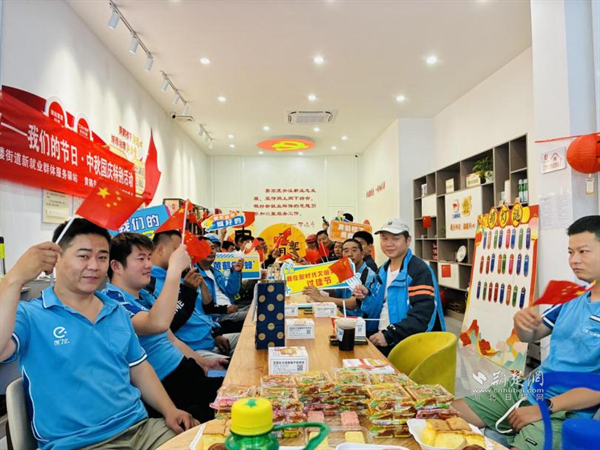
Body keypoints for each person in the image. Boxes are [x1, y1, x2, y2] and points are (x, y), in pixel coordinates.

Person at [0, 219, 194, 450]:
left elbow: (139, 368)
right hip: (78, 443)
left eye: (102, 257)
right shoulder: (30, 315)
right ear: (56, 258)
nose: (94, 266)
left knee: (204, 442)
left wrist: (170, 410)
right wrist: (13, 279)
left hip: (140, 428)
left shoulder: (116, 310)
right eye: (83, 256)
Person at [453, 215, 600, 450]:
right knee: (445, 416)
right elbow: (530, 336)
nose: (574, 260)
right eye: (570, 252)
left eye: (583, 252)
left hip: (564, 410)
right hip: (526, 390)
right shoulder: (572, 297)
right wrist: (521, 324)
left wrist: (543, 408)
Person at [104, 232, 228, 422]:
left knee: (243, 382)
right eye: (141, 259)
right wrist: (175, 271)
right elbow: (157, 324)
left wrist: (204, 363)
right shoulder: (113, 300)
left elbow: (172, 339)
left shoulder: (145, 295)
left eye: (149, 257)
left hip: (188, 371)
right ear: (116, 266)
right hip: (171, 386)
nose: (148, 264)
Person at [355, 218, 445, 354]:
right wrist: (366, 296)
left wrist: (389, 335)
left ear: (408, 240)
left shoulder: (418, 270)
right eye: (384, 238)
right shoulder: (382, 270)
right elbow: (377, 307)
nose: (389, 244)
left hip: (407, 345)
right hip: (381, 339)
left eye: (395, 239)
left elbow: (422, 314)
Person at [304, 239, 380, 327]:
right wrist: (321, 286)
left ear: (362, 254)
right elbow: (337, 294)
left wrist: (320, 298)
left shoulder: (367, 274)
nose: (350, 254)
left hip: (359, 324)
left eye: (354, 250)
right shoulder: (346, 271)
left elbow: (352, 304)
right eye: (346, 251)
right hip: (342, 317)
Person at [197, 236, 248, 333]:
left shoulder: (215, 272)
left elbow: (231, 292)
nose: (211, 251)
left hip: (231, 309)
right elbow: (202, 308)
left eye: (212, 248)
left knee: (257, 308)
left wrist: (236, 272)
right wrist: (225, 310)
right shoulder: (195, 275)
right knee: (254, 316)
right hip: (217, 318)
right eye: (205, 248)